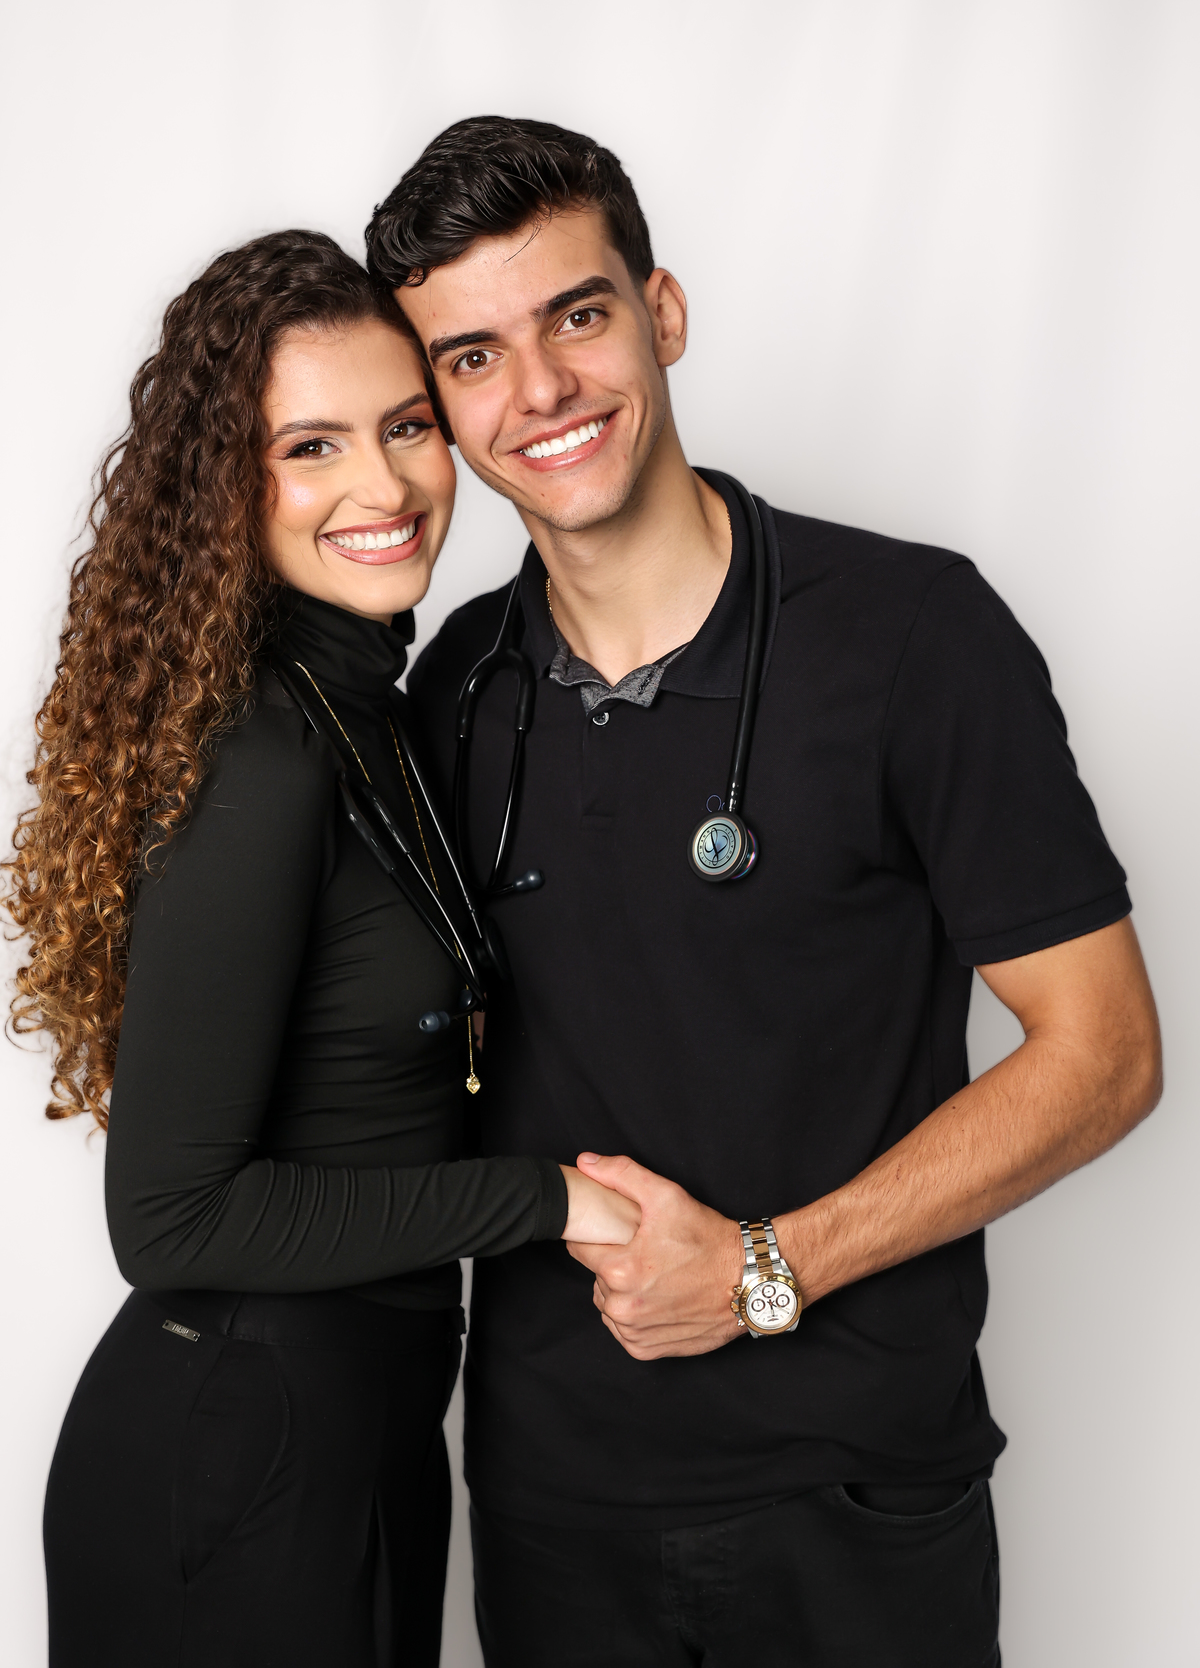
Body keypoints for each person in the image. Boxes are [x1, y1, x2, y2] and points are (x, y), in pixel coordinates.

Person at [365, 117, 1163, 1668]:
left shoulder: (915, 636)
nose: (540, 389)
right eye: (473, 357)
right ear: (440, 409)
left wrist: (760, 1271)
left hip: (859, 1495)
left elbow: (1107, 1052)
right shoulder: (454, 690)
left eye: (576, 317)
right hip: (554, 1511)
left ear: (661, 312)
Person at [2, 229, 639, 1668]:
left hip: (354, 1427)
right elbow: (168, 1221)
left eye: (406, 426)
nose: (385, 487)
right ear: (227, 487)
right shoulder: (267, 753)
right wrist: (547, 1202)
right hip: (241, 1451)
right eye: (311, 448)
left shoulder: (371, 714)